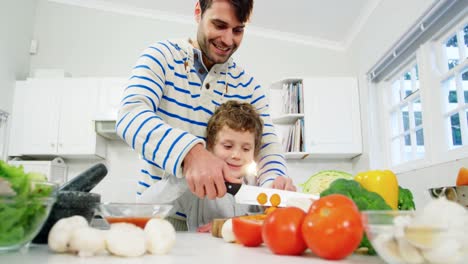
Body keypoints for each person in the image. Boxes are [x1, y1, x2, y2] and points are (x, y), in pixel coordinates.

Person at [116, 0, 295, 228]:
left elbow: (268, 148)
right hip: (157, 217)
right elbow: (130, 115)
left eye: (238, 30)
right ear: (198, 11)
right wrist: (191, 153)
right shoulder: (161, 57)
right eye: (219, 25)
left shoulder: (250, 88)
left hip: (215, 224)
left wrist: (273, 187)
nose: (228, 40)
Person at [140, 100, 263, 230]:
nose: (236, 155)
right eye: (228, 146)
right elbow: (144, 209)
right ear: (210, 147)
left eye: (246, 149)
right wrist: (185, 178)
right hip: (203, 250)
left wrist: (231, 225)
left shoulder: (256, 185)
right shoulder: (197, 186)